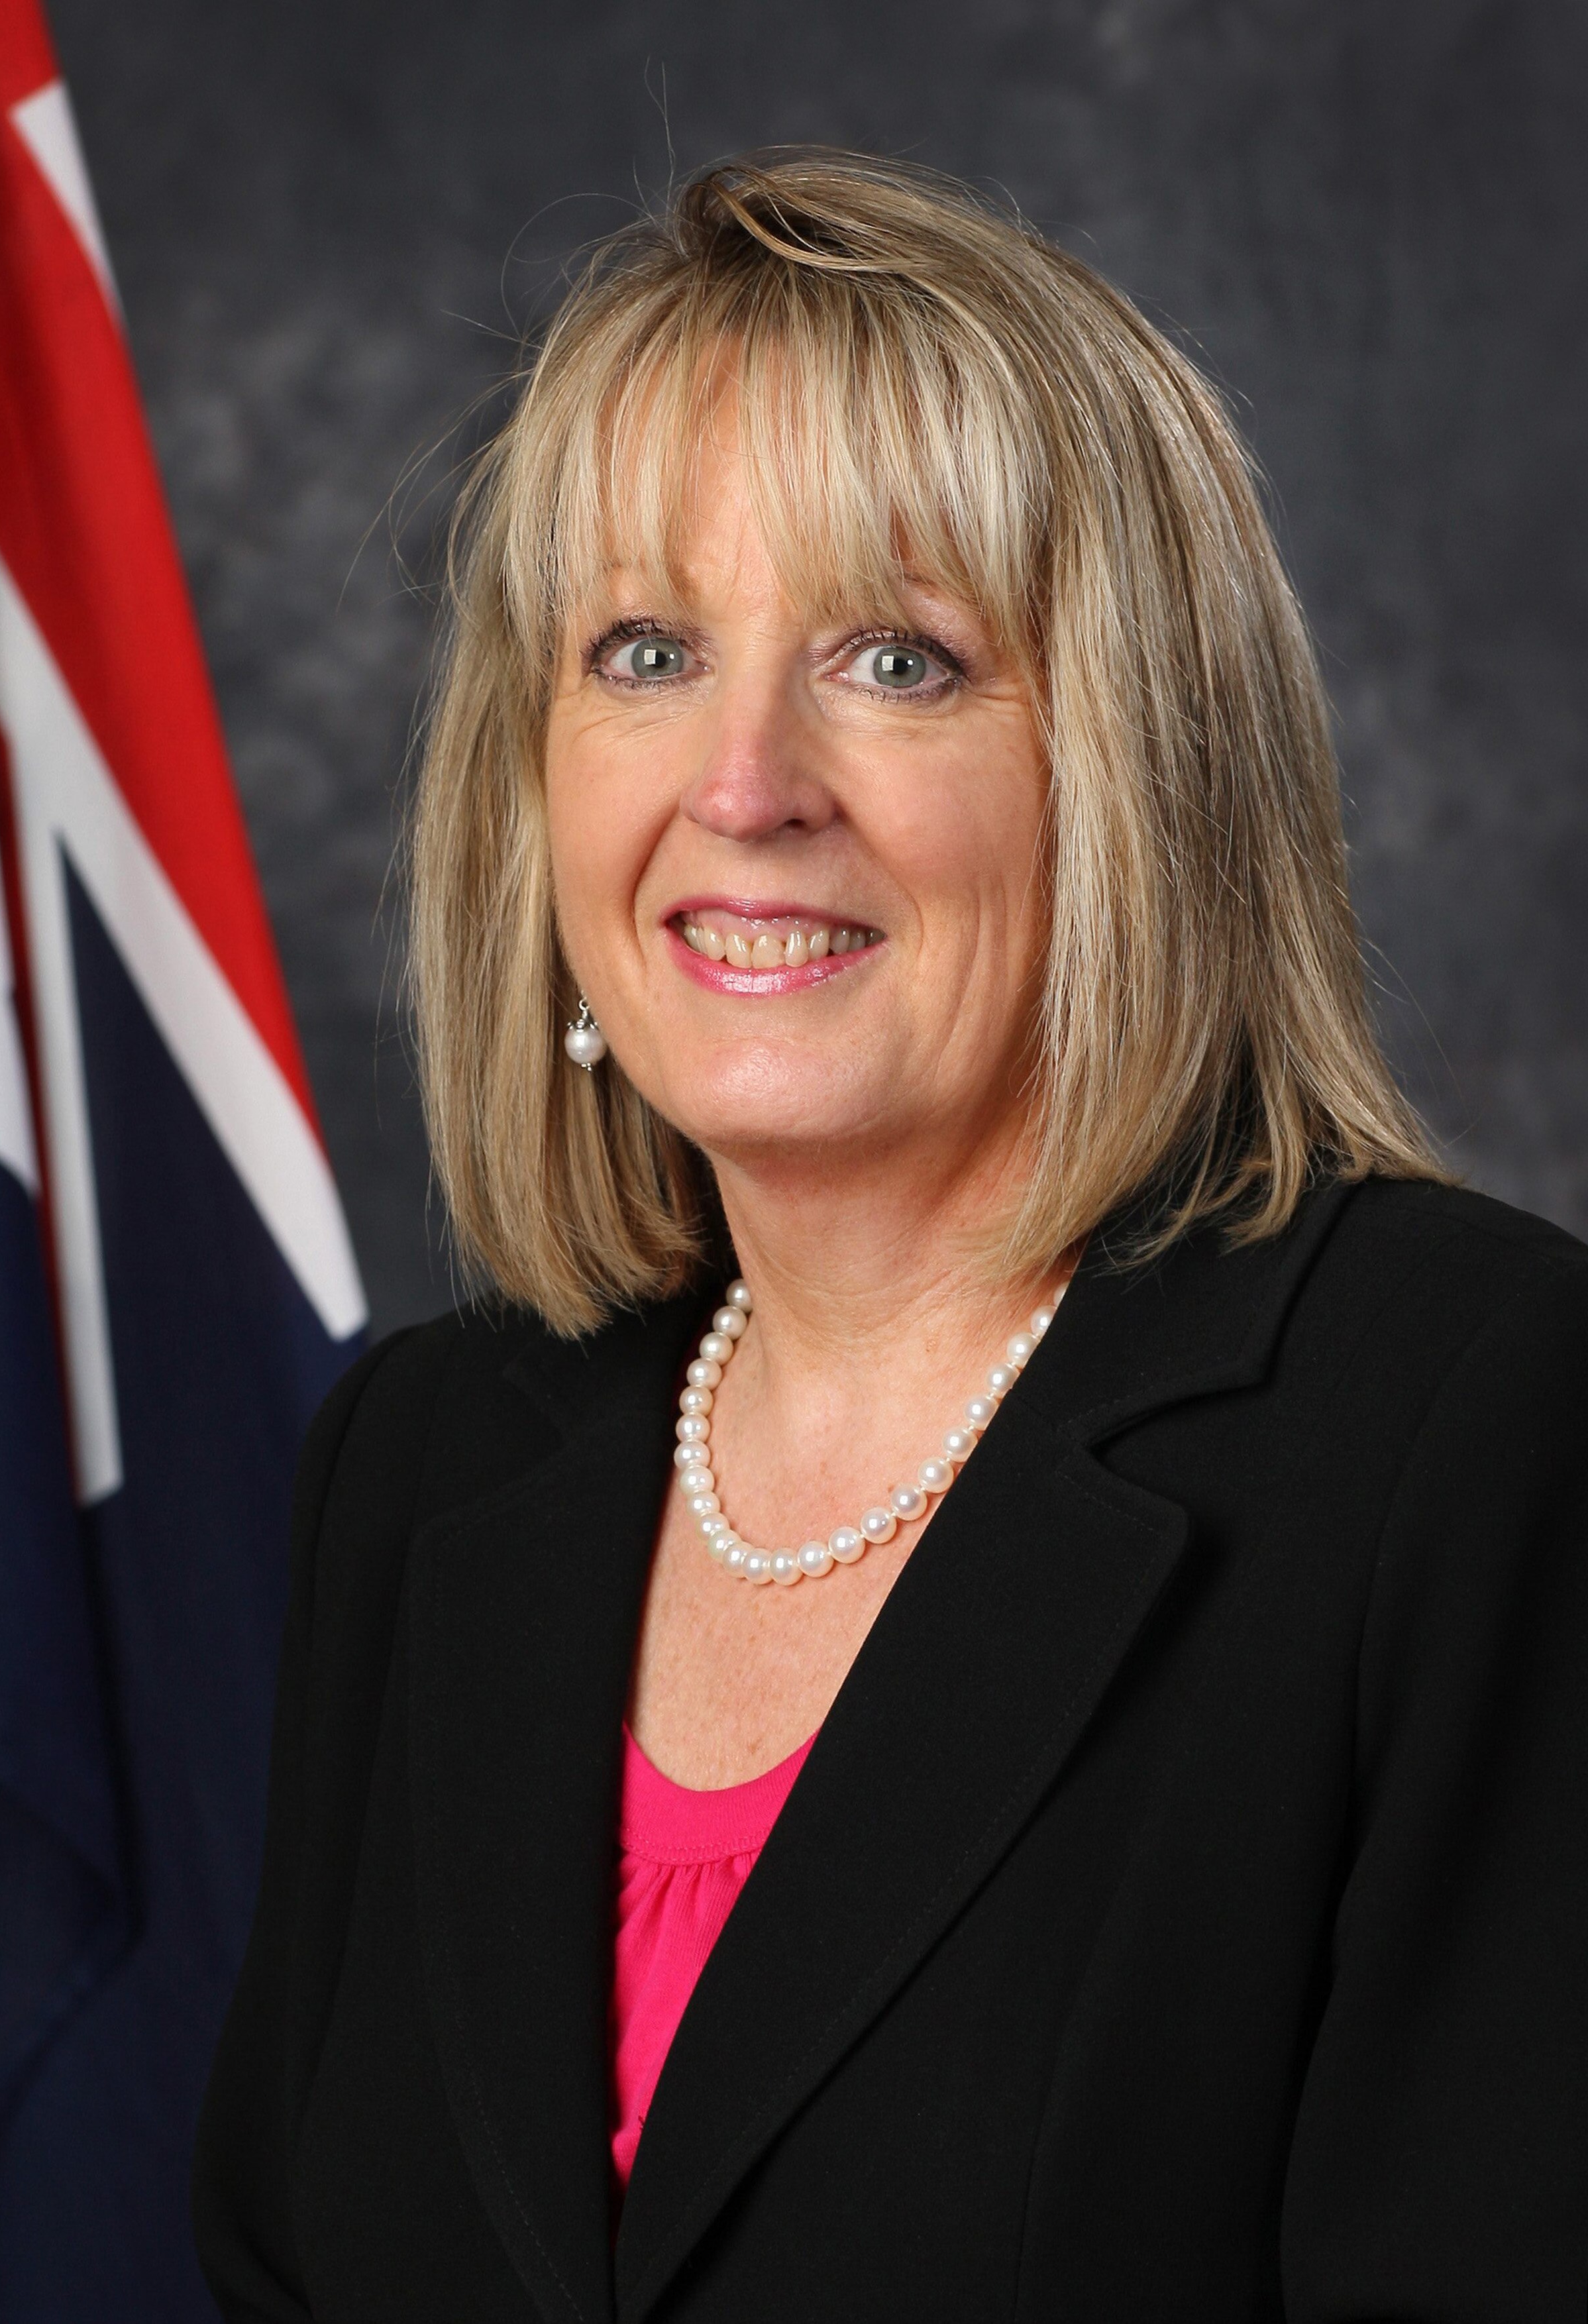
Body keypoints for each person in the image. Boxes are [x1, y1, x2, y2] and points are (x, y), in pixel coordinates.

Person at [193, 152, 1587, 2321]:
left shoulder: (1468, 1430)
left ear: (1137, 777)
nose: (745, 782)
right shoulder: (424, 1464)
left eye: (898, 660)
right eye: (646, 651)